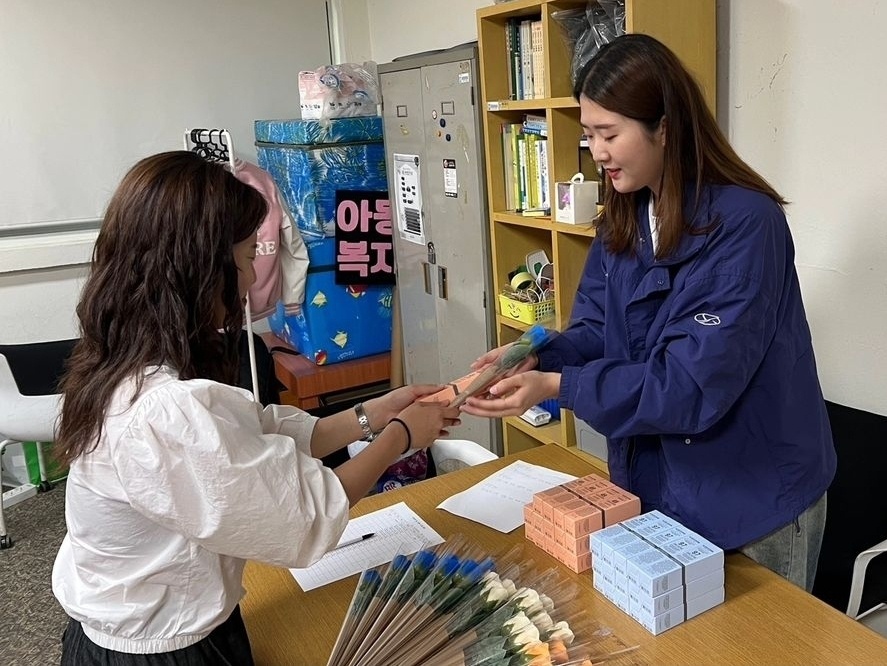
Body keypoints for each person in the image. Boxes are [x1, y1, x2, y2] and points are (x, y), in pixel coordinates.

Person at [51, 151, 460, 664]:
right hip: (161, 649)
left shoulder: (123, 361)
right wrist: (401, 435)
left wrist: (371, 415)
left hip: (148, 624)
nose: (250, 279)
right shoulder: (162, 409)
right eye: (247, 258)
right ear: (201, 268)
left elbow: (253, 434)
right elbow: (307, 517)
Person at [461, 34, 836, 591]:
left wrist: (558, 386)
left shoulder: (747, 225)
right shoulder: (627, 214)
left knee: (756, 636)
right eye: (588, 135)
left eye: (609, 134)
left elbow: (688, 385)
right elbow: (597, 329)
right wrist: (533, 356)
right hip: (663, 486)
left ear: (664, 127)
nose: (597, 152)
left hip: (753, 498)